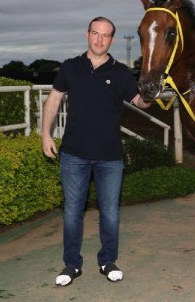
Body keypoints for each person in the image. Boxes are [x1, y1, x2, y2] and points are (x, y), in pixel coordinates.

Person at [41, 16, 151, 287]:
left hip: (109, 157)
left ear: (112, 40)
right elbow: (54, 99)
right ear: (87, 35)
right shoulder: (70, 67)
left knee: (110, 212)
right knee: (72, 212)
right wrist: (45, 134)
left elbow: (140, 102)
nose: (100, 39)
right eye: (95, 33)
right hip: (74, 154)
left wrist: (151, 93)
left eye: (106, 35)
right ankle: (71, 265)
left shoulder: (121, 72)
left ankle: (108, 261)